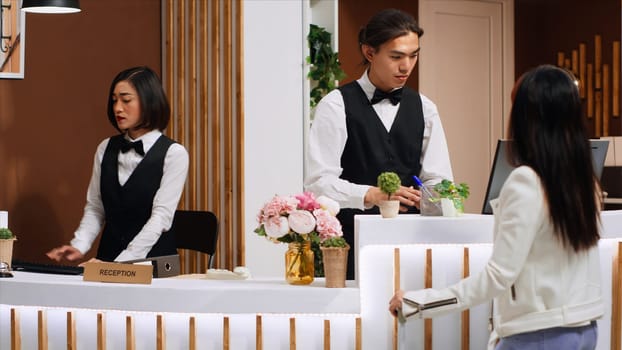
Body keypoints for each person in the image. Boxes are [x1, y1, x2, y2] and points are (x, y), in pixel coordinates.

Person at [389, 65, 603, 349]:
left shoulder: (527, 181)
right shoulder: (585, 183)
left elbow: (499, 275)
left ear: (527, 118)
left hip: (536, 333)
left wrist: (418, 303)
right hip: (584, 330)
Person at [305, 8, 453, 279]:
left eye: (413, 55)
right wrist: (371, 195)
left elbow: (439, 179)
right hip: (350, 242)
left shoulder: (425, 108)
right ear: (369, 53)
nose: (406, 66)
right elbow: (318, 183)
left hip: (412, 244)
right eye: (396, 56)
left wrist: (434, 198)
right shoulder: (336, 105)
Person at [47, 66, 189, 264]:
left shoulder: (174, 154)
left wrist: (121, 264)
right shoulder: (105, 148)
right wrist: (79, 245)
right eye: (114, 100)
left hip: (152, 265)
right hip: (107, 257)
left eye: (126, 100)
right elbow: (96, 207)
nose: (117, 108)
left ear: (149, 101)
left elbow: (161, 217)